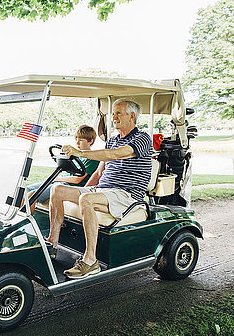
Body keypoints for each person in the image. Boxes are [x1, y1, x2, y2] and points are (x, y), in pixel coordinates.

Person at [46, 99, 152, 279]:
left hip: (127, 194)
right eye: (113, 113)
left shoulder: (142, 138)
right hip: (103, 190)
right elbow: (99, 171)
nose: (114, 117)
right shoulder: (112, 140)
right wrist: (83, 191)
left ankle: (90, 261)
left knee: (86, 200)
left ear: (132, 116)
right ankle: (52, 243)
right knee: (57, 189)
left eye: (118, 113)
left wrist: (80, 152)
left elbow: (115, 155)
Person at [25, 125, 99, 214]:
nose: (77, 143)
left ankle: (26, 224)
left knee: (32, 196)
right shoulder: (76, 157)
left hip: (68, 186)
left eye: (81, 140)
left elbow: (77, 179)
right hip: (61, 181)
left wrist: (56, 178)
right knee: (25, 191)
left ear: (90, 141)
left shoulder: (92, 159)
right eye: (76, 140)